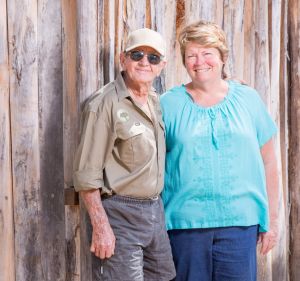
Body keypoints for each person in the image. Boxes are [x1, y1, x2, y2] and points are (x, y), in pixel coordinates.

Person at [160, 20, 279, 281]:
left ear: (223, 57)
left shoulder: (248, 99)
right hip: (185, 227)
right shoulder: (167, 105)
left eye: (207, 53)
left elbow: (269, 162)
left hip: (240, 225)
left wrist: (271, 221)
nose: (199, 61)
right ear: (184, 61)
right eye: (191, 55)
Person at [73, 28, 176, 281]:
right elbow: (87, 175)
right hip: (120, 214)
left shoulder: (154, 101)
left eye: (153, 58)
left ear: (161, 65)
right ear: (123, 59)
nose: (144, 62)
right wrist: (101, 226)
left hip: (154, 211)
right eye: (137, 54)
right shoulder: (104, 103)